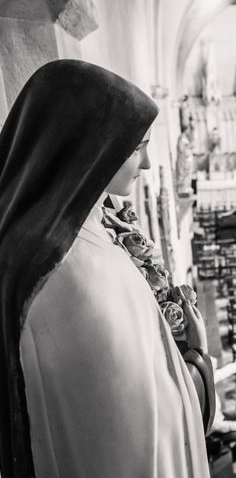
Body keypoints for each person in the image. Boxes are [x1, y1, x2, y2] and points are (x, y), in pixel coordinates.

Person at [0, 61, 210, 477]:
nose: (147, 163)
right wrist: (198, 362)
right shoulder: (74, 275)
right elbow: (132, 440)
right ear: (88, 146)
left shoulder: (70, 238)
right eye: (137, 147)